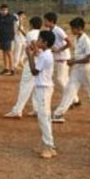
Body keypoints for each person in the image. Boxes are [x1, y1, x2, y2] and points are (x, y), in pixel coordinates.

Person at [52, 16, 90, 124]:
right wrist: (74, 60)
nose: (71, 30)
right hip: (77, 69)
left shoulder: (86, 40)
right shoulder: (77, 38)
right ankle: (58, 114)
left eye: (73, 28)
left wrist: (74, 62)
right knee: (69, 90)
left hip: (86, 69)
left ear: (79, 28)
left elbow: (89, 58)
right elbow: (80, 56)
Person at [26, 29, 57, 159]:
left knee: (43, 117)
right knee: (45, 117)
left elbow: (34, 71)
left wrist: (30, 55)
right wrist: (35, 53)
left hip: (43, 88)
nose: (37, 42)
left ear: (45, 42)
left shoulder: (45, 56)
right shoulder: (46, 53)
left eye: (39, 40)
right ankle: (48, 144)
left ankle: (49, 146)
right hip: (44, 87)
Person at [4, 16, 43, 119]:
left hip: (32, 62)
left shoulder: (31, 33)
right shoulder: (40, 33)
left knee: (25, 86)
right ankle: (37, 109)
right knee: (35, 86)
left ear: (31, 25)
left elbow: (34, 44)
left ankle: (17, 110)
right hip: (40, 63)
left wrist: (34, 52)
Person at [43, 12, 70, 100]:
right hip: (59, 57)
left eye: (46, 21)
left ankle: (70, 98)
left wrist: (59, 50)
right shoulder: (50, 31)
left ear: (51, 21)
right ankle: (74, 99)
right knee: (64, 79)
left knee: (60, 79)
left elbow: (69, 43)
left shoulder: (58, 30)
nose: (44, 23)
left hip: (63, 57)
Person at [0, 4, 18, 75]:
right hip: (1, 36)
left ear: (7, 10)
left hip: (8, 37)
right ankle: (6, 68)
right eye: (2, 10)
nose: (4, 11)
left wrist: (16, 30)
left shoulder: (11, 16)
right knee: (4, 52)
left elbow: (17, 21)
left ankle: (12, 69)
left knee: (9, 52)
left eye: (5, 10)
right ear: (0, 10)